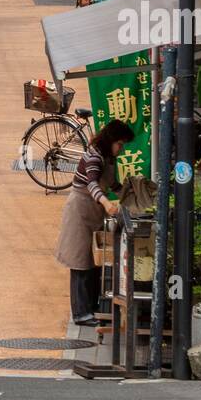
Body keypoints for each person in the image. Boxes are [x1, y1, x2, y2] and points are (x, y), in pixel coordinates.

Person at [55, 120, 135, 325]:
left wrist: (131, 194)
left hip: (94, 212)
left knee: (94, 263)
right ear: (110, 141)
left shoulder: (108, 157)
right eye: (120, 144)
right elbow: (92, 183)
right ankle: (81, 314)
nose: (121, 148)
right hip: (80, 211)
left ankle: (93, 308)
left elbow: (111, 183)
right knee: (80, 263)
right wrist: (106, 202)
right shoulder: (93, 156)